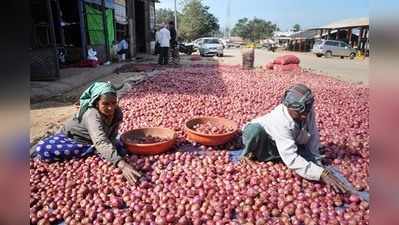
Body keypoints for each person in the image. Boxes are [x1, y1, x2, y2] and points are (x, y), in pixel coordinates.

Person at [241, 84, 348, 193]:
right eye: (299, 113)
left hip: (283, 141)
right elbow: (291, 157)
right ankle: (248, 155)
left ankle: (278, 157)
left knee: (305, 155)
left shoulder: (306, 109)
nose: (304, 116)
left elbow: (313, 135)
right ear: (289, 108)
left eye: (306, 112)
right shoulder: (280, 120)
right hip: (264, 139)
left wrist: (317, 161)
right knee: (254, 131)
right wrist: (320, 174)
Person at [30, 82, 142, 185]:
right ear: (96, 102)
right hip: (73, 140)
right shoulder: (92, 114)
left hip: (97, 140)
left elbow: (112, 135)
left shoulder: (117, 112)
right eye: (105, 103)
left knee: (121, 147)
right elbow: (101, 141)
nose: (110, 107)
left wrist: (113, 148)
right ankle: (96, 150)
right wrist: (121, 164)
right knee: (42, 148)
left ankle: (98, 150)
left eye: (114, 103)